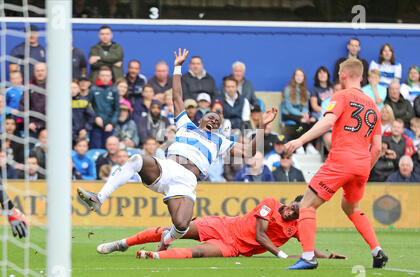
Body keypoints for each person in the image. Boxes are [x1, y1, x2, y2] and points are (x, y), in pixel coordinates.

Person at [77, 48, 277, 253]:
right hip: (168, 167)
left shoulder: (220, 141)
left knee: (181, 225)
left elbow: (250, 151)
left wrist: (261, 126)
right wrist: (178, 67)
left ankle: (165, 241)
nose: (214, 120)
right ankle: (98, 198)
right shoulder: (186, 124)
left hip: (187, 181)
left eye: (217, 120)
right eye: (210, 117)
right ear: (200, 119)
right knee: (137, 159)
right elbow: (177, 97)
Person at [284, 58, 387, 270]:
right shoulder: (374, 107)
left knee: (307, 205)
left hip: (341, 160)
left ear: (343, 75)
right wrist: (364, 171)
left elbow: (328, 122)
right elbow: (377, 148)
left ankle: (308, 257)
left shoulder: (341, 95)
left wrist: (300, 139)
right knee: (350, 207)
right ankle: (377, 251)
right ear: (362, 77)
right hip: (362, 165)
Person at [96, 196, 346, 262]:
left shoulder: (295, 227)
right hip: (223, 224)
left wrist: (328, 255)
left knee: (199, 253)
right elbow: (260, 234)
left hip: (233, 247)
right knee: (176, 228)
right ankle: (122, 243)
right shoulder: (271, 204)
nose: (292, 213)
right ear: (291, 201)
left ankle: (156, 255)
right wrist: (280, 255)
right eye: (294, 207)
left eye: (297, 213)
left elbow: (308, 249)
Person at [88, 66, 120, 149]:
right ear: (99, 76)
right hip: (96, 126)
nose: (105, 78)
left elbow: (117, 109)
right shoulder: (93, 89)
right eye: (102, 75)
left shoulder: (114, 90)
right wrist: (95, 118)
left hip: (109, 126)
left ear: (111, 77)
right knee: (96, 148)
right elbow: (89, 106)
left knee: (109, 149)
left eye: (107, 75)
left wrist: (112, 123)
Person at [282, 68, 313, 149]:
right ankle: (300, 146)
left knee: (310, 121)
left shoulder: (305, 91)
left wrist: (305, 114)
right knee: (302, 122)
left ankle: (308, 145)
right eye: (297, 75)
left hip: (300, 114)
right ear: (294, 77)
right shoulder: (288, 89)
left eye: (301, 75)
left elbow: (305, 107)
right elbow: (289, 108)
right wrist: (301, 115)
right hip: (288, 114)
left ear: (303, 78)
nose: (299, 77)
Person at [18, 62, 47, 141]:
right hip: (33, 128)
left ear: (46, 71)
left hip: (50, 128)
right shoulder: (28, 87)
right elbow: (22, 107)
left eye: (42, 70)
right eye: (38, 71)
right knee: (32, 152)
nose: (40, 73)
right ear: (34, 72)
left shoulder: (53, 86)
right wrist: (28, 123)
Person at [308, 66, 333, 154]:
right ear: (317, 76)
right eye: (320, 73)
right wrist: (326, 111)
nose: (322, 75)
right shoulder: (314, 89)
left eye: (324, 72)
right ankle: (315, 148)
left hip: (332, 113)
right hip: (318, 113)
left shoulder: (332, 88)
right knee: (318, 121)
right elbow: (314, 106)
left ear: (328, 75)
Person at [71, 79, 95, 146]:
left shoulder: (84, 101)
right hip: (67, 133)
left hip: (81, 133)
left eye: (75, 88)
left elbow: (92, 116)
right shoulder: (62, 101)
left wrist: (86, 129)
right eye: (70, 88)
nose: (72, 90)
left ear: (79, 89)